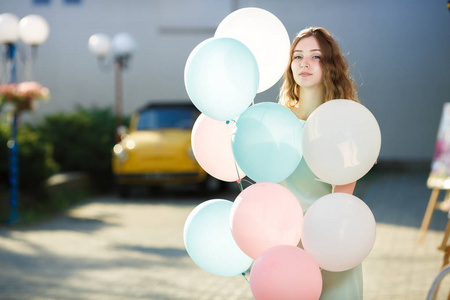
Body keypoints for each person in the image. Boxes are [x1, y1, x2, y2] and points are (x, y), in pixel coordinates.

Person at [278, 27, 363, 300]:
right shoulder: (276, 120)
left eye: (316, 57)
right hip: (285, 242)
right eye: (298, 56)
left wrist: (319, 244)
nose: (304, 63)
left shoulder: (344, 121)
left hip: (331, 240)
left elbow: (342, 194)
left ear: (330, 65)